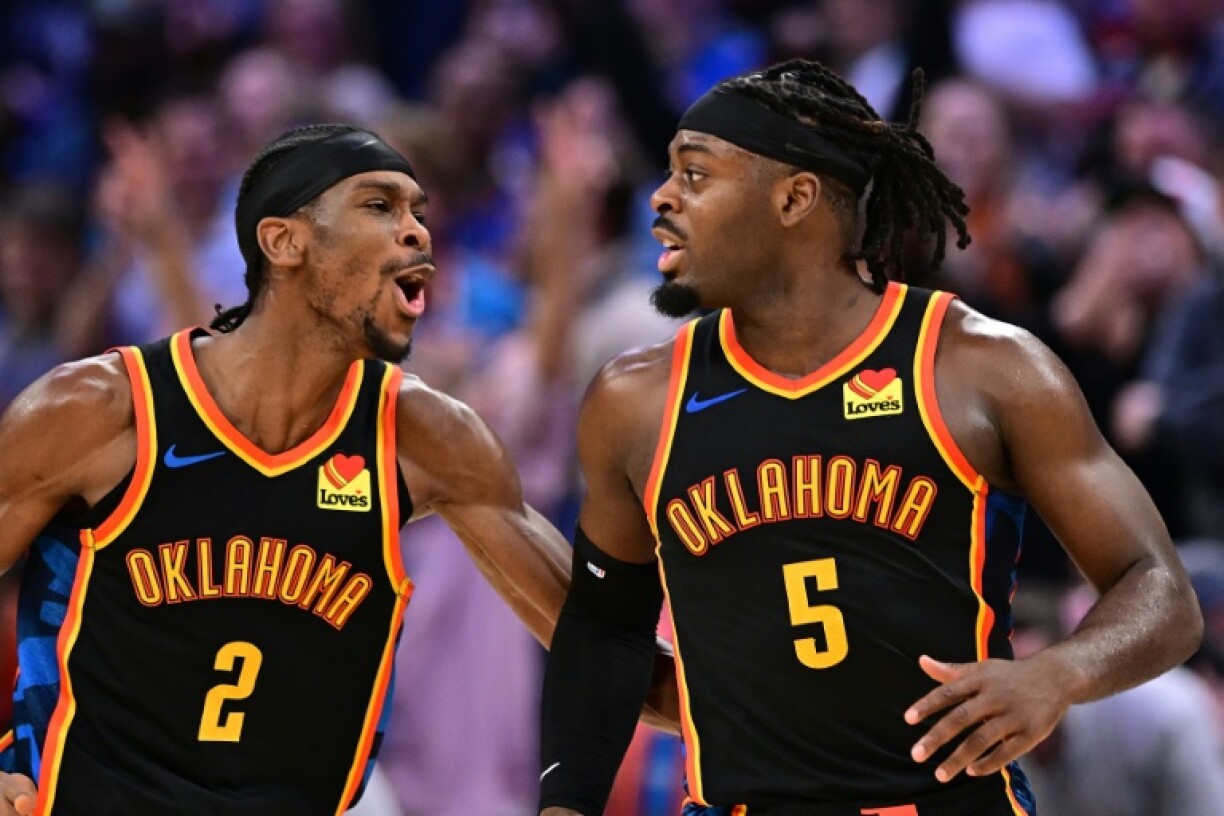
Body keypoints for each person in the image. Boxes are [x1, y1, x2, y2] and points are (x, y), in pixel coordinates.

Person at [537, 60, 1202, 816]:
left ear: (794, 198)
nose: (661, 197)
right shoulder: (635, 399)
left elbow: (1162, 592)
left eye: (695, 174)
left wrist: (1058, 675)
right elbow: (603, 628)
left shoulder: (982, 367)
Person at [0, 123, 675, 816]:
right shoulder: (100, 409)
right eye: (380, 206)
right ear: (284, 241)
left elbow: (602, 651)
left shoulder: (426, 437)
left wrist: (766, 697)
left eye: (419, 212)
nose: (416, 233)